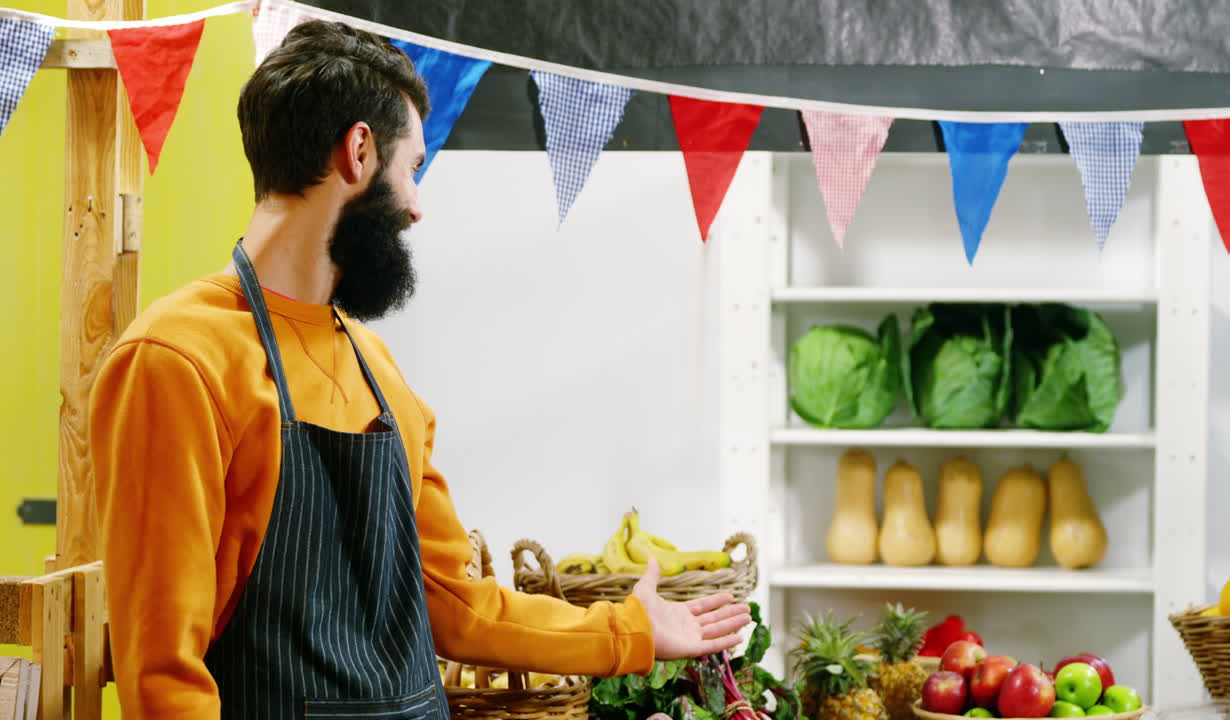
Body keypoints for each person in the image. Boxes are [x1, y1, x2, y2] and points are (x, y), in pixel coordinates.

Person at [88, 20, 751, 719]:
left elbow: (454, 605)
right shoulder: (175, 361)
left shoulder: (376, 369)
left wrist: (628, 630)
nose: (416, 205)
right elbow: (164, 675)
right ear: (359, 152)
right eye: (413, 167)